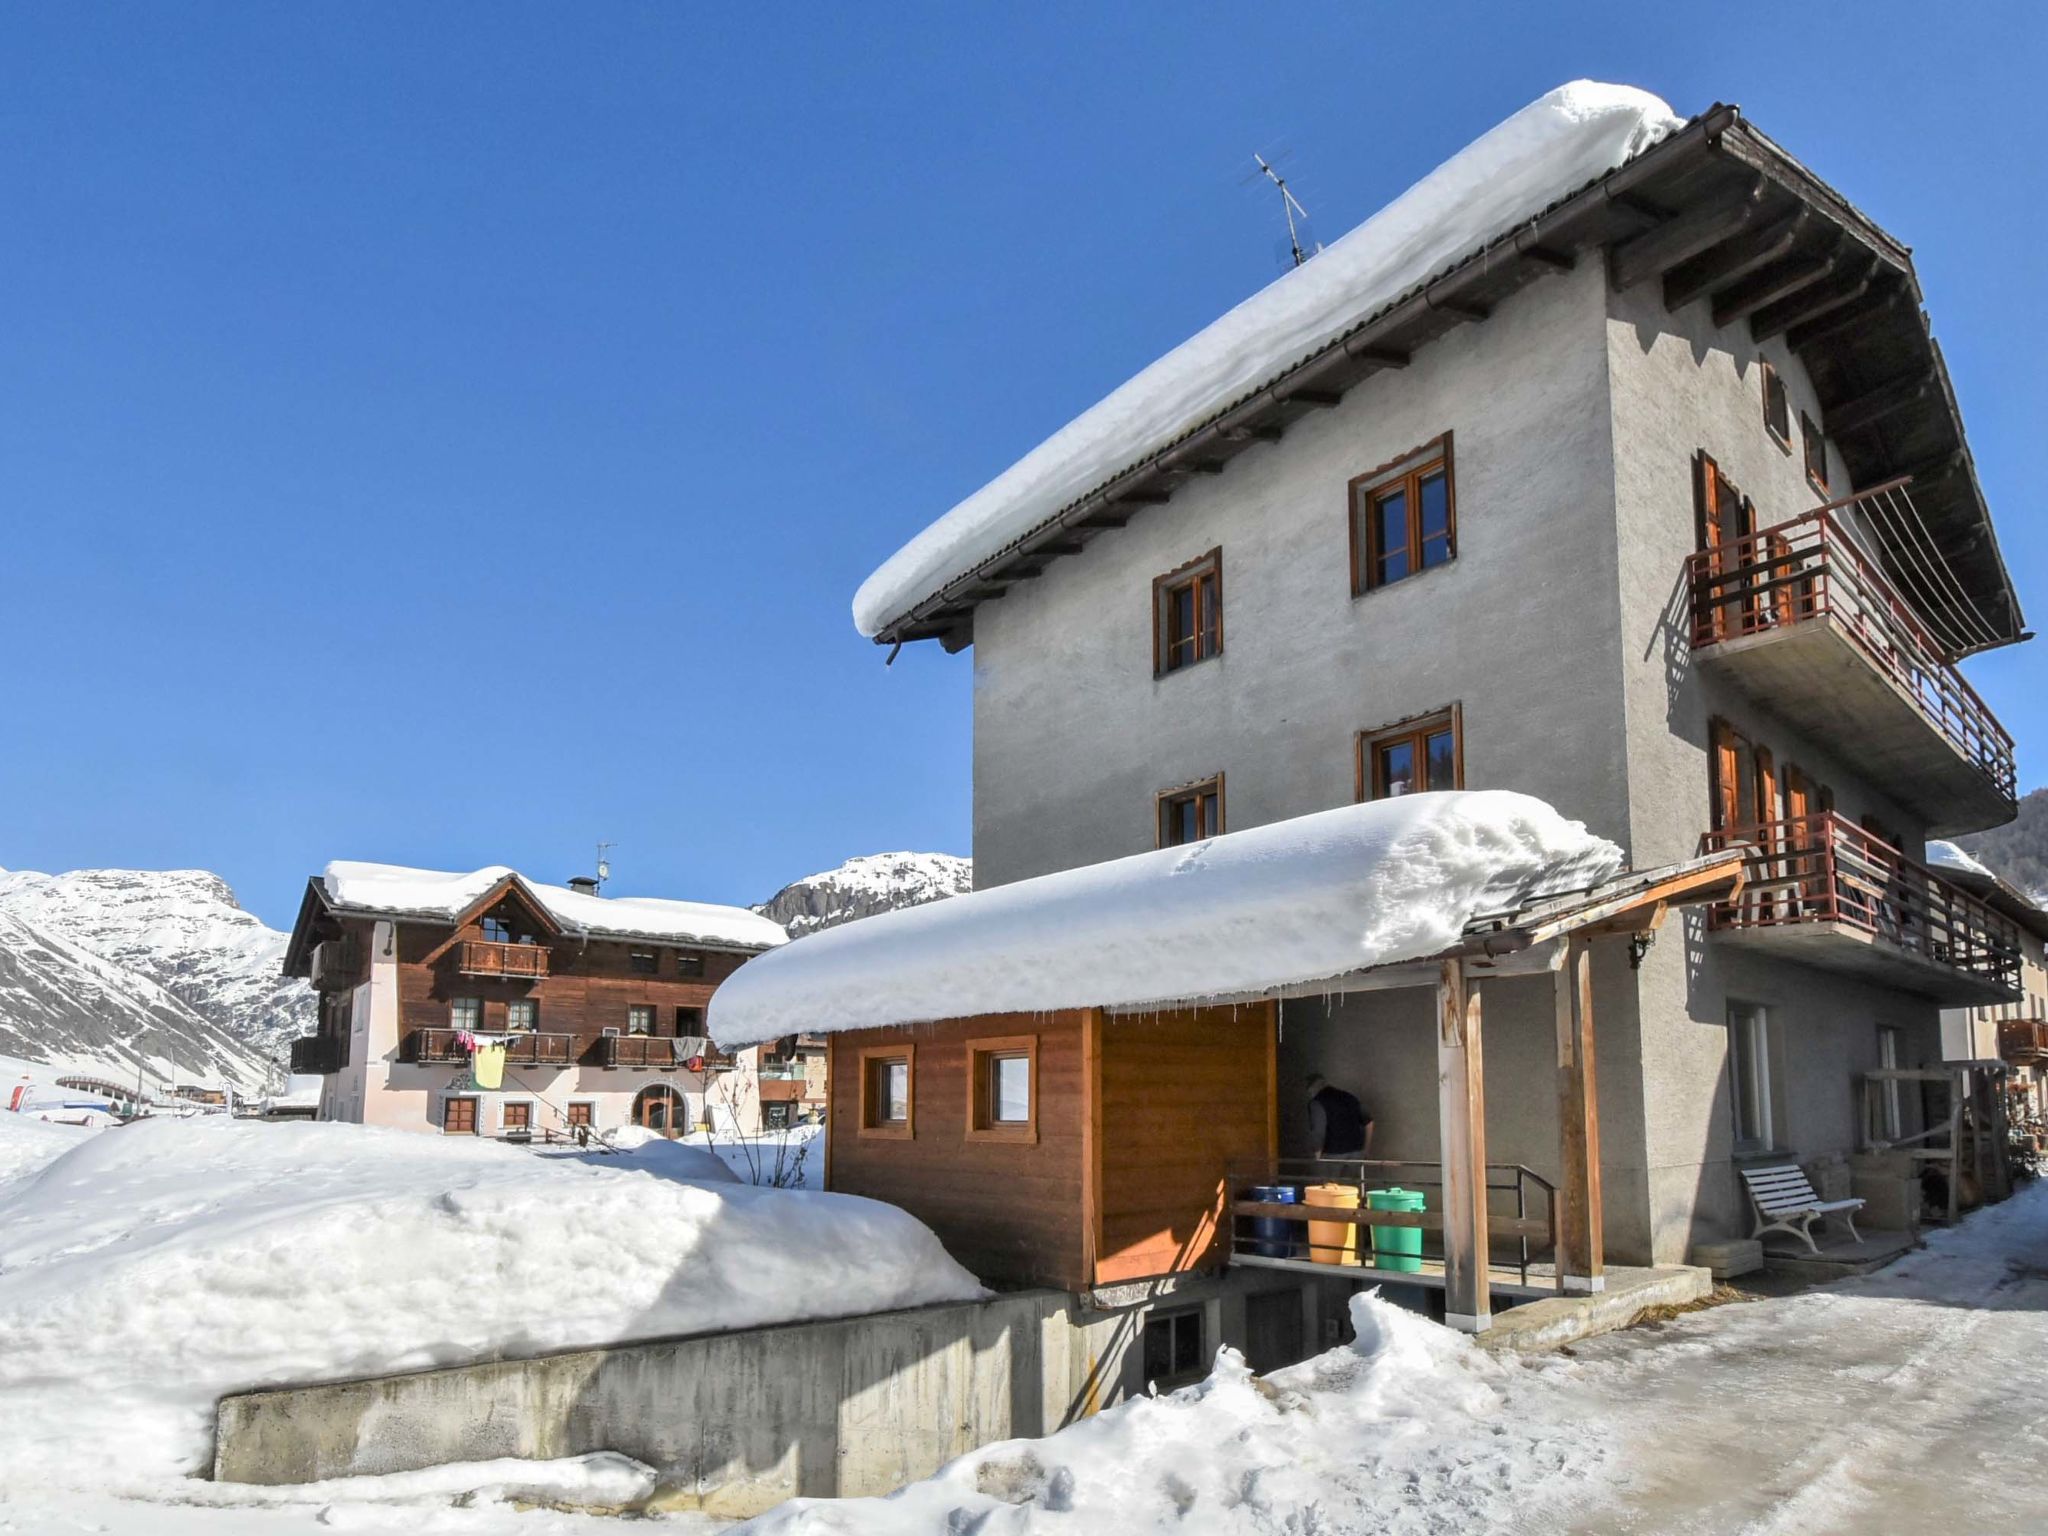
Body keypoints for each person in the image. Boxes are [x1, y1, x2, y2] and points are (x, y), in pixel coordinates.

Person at [1307, 1073, 1372, 1159]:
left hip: (1332, 1154)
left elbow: (1318, 1132)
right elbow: (1369, 1122)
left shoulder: (1317, 1102)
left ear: (1312, 1087)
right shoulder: (1349, 1097)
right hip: (1356, 1154)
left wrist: (1317, 1156)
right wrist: (1366, 1150)